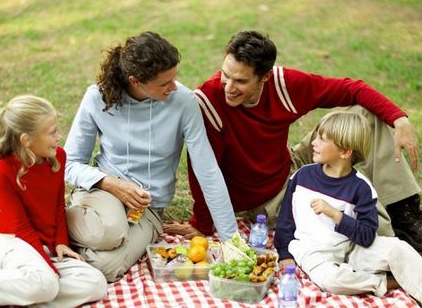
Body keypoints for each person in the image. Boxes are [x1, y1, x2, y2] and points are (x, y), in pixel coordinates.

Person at [164, 30, 422, 253]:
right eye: (225, 75)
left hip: (291, 162)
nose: (229, 86)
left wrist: (400, 119)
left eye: (241, 81)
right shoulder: (209, 101)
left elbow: (351, 88)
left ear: (264, 77)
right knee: (341, 211)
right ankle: (385, 239)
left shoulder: (283, 85)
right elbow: (203, 169)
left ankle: (405, 212)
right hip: (268, 197)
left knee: (367, 114)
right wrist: (203, 223)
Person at [64, 32, 237, 282]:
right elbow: (69, 163)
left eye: (174, 78)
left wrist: (231, 240)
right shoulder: (97, 97)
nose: (174, 87)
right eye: (165, 83)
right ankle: (56, 226)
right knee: (110, 232)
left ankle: (69, 246)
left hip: (147, 209)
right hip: (103, 192)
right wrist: (110, 183)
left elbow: (207, 170)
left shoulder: (184, 103)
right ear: (135, 81)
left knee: (107, 268)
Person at [273, 111, 422, 303]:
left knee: (398, 248)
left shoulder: (361, 187)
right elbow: (286, 220)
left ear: (345, 152)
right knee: (332, 280)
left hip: (353, 248)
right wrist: (284, 253)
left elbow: (367, 236)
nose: (313, 142)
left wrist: (336, 215)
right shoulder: (302, 177)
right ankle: (383, 282)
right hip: (312, 251)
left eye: (322, 139)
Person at [0, 95, 107, 308]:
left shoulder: (58, 157)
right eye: (52, 132)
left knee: (96, 283)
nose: (58, 137)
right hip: (13, 242)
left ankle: (12, 298)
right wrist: (48, 267)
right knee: (47, 282)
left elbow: (57, 205)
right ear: (27, 140)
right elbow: (20, 227)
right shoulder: (3, 171)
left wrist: (61, 241)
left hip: (45, 244)